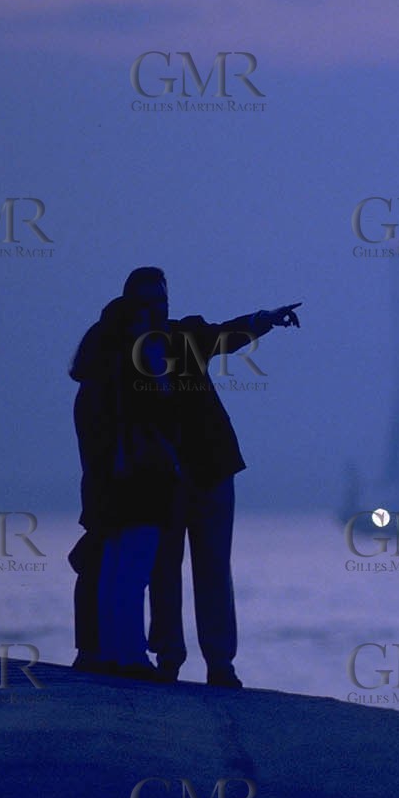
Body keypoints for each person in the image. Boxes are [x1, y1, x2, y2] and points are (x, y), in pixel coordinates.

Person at [114, 267, 301, 688]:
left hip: (212, 469)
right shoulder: (124, 356)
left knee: (213, 566)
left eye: (161, 299)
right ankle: (169, 657)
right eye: (149, 301)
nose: (158, 308)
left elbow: (226, 335)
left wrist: (264, 319)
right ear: (133, 306)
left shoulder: (185, 337)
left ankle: (220, 663)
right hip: (163, 479)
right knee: (165, 568)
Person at [69, 293, 181, 680]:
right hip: (142, 487)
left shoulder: (96, 382)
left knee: (114, 573)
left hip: (109, 491)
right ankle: (131, 655)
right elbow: (161, 417)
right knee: (132, 574)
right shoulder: (132, 378)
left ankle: (113, 650)